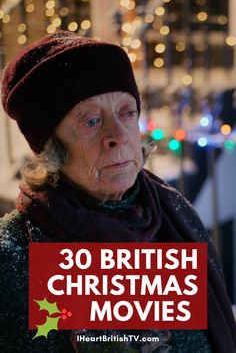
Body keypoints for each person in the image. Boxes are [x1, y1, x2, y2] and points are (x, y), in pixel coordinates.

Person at [0, 30, 235, 353]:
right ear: (52, 148)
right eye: (91, 121)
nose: (119, 135)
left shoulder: (175, 215)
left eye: (127, 112)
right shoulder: (14, 253)